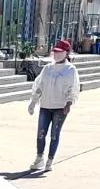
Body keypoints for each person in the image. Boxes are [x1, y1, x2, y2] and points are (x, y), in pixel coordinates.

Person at [27, 39, 80, 172]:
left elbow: (73, 88)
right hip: (45, 105)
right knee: (41, 133)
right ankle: (39, 158)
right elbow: (39, 85)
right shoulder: (48, 68)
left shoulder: (70, 70)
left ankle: (50, 160)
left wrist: (69, 103)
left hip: (60, 107)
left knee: (54, 134)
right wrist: (33, 101)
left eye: (59, 52)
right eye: (55, 52)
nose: (56, 55)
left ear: (66, 53)